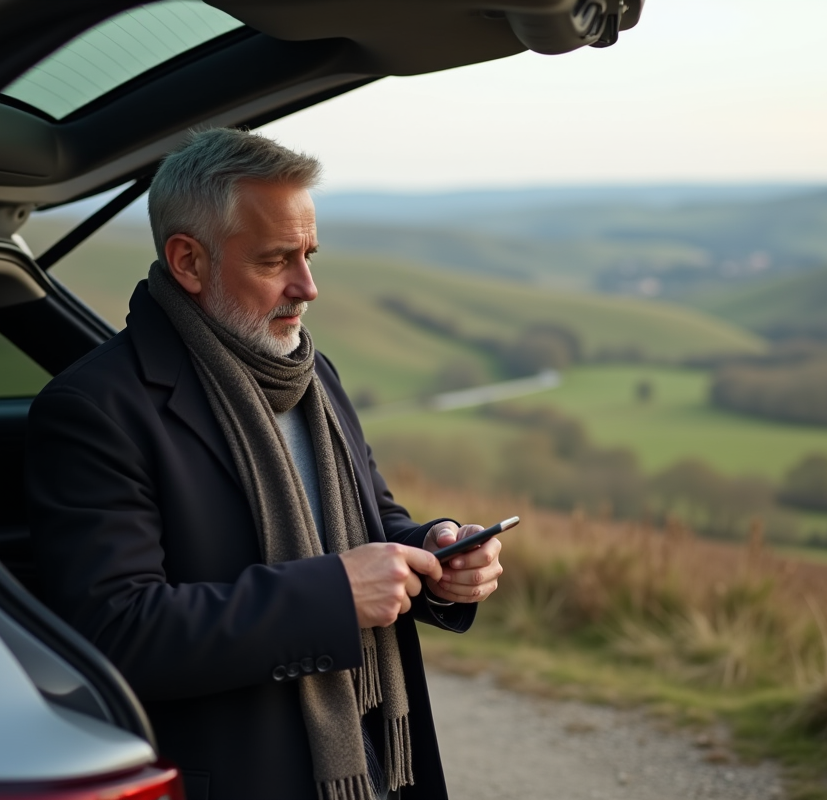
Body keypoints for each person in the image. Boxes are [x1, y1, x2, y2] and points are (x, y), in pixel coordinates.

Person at [25, 129, 503, 800]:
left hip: (374, 762)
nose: (308, 287)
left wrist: (435, 551)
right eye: (278, 259)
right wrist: (335, 595)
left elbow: (372, 518)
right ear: (189, 261)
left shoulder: (310, 371)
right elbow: (117, 631)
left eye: (309, 254)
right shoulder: (97, 408)